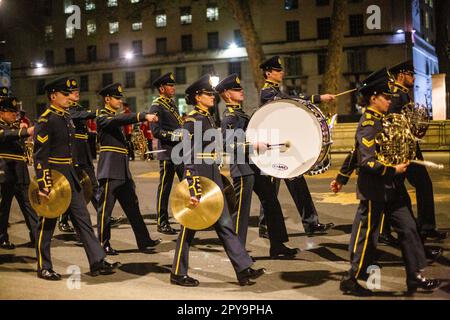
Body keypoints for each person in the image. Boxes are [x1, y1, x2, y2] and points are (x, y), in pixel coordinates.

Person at [338, 69, 440, 295]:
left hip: (393, 188)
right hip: (375, 189)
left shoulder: (384, 120)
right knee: (367, 236)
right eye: (385, 96)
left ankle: (415, 275)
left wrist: (341, 177)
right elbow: (365, 161)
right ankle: (351, 279)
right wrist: (393, 169)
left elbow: (355, 152)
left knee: (409, 228)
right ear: (373, 98)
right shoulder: (369, 123)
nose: (389, 100)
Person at [170, 75, 265, 287]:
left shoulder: (208, 118)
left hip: (213, 177)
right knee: (189, 225)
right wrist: (193, 188)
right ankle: (177, 272)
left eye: (212, 94)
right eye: (208, 94)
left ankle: (243, 270)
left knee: (224, 224)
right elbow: (186, 156)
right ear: (197, 97)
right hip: (200, 178)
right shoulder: (192, 121)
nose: (213, 97)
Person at [33, 76, 119, 280]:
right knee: (46, 225)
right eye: (65, 94)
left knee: (83, 220)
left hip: (70, 177)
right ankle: (44, 266)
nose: (69, 97)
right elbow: (40, 156)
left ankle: (97, 261)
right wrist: (44, 184)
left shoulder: (66, 117)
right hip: (54, 178)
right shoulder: (46, 119)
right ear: (53, 96)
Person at [217, 74, 298, 258]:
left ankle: (277, 246)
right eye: (237, 90)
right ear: (227, 94)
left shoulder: (240, 114)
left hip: (255, 165)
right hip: (243, 168)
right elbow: (229, 145)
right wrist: (253, 146)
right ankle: (237, 252)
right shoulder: (229, 117)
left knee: (271, 202)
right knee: (241, 211)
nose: (241, 91)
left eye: (240, 88)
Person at [258, 56, 335, 236]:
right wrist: (318, 98)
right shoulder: (267, 93)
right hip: (274, 148)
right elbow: (292, 103)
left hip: (285, 147)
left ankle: (311, 224)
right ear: (269, 73)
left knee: (298, 185)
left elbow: (294, 100)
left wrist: (319, 98)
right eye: (278, 70)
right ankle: (265, 226)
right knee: (270, 190)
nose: (282, 73)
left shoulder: (277, 91)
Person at [96, 83, 161, 255]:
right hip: (110, 169)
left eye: (120, 98)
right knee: (105, 210)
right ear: (107, 99)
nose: (119, 101)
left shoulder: (114, 118)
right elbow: (119, 120)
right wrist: (142, 116)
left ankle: (144, 240)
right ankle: (103, 244)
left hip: (122, 169)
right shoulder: (103, 116)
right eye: (116, 98)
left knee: (133, 207)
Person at [0, 96, 38, 249]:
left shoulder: (16, 126)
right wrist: (24, 131)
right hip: (5, 172)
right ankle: (2, 238)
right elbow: (4, 135)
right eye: (10, 112)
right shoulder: (7, 128)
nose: (14, 115)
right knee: (3, 208)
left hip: (20, 172)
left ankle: (36, 237)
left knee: (30, 206)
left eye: (15, 112)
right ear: (1, 112)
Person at [149, 72, 184, 235]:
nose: (173, 88)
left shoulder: (171, 104)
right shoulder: (157, 106)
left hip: (180, 152)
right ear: (162, 88)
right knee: (165, 188)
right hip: (167, 153)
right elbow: (155, 131)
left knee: (188, 184)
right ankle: (161, 221)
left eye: (173, 85)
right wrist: (176, 136)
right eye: (170, 86)